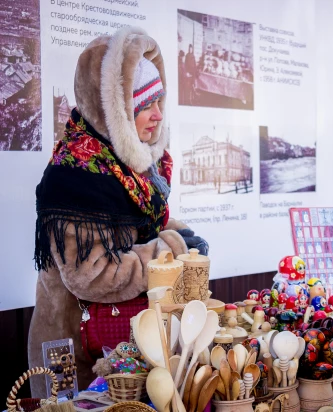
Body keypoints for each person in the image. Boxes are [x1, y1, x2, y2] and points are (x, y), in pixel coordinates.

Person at [29, 27, 208, 397]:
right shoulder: (74, 176)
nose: (158, 115)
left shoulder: (127, 165)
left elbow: (136, 232)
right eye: (144, 105)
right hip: (74, 357)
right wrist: (167, 249)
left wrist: (178, 233)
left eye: (159, 101)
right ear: (114, 109)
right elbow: (91, 274)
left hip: (119, 352)